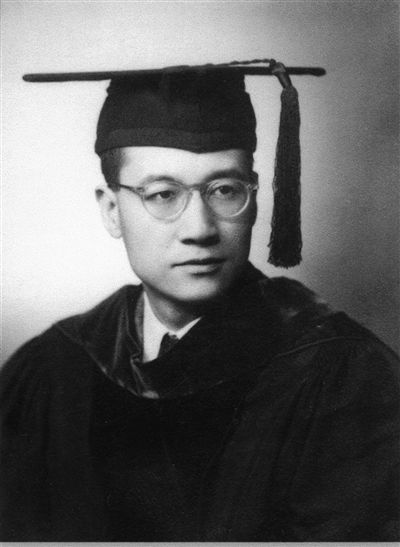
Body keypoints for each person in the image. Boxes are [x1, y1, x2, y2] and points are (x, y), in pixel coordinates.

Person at [1, 59, 399, 542]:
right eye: (163, 194)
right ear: (111, 211)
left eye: (225, 190)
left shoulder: (339, 376)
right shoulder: (54, 367)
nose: (200, 229)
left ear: (255, 200)